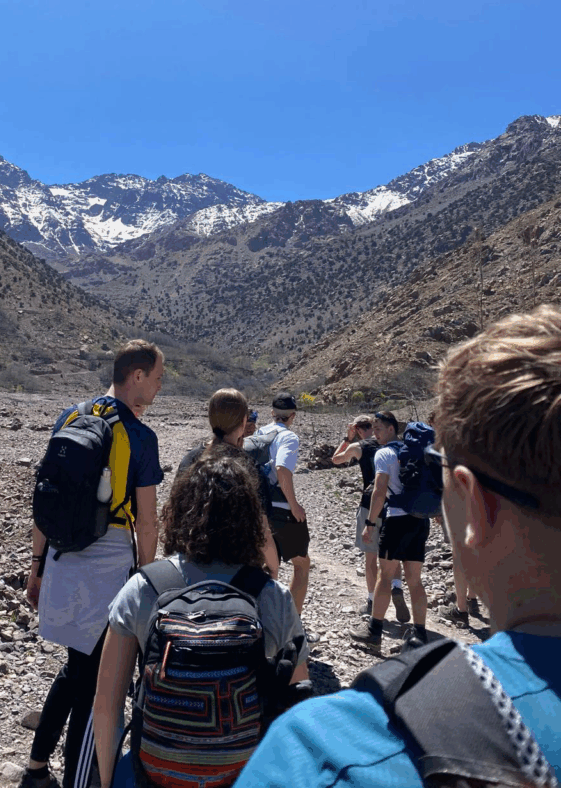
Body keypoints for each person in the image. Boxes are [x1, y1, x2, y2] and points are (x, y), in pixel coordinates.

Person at [235, 306, 561, 788]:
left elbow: (364, 482)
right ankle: (404, 623)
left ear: (476, 506)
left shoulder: (321, 750)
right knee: (408, 575)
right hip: (406, 528)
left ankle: (376, 623)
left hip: (385, 520)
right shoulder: (377, 447)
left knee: (384, 572)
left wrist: (368, 515)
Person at [93, 450, 310, 788]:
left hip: (153, 774)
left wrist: (107, 783)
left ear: (178, 513)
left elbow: (106, 708)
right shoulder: (272, 596)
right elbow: (297, 709)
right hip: (242, 775)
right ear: (252, 520)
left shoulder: (143, 588)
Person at [21, 340, 165, 788]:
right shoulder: (139, 436)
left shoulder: (69, 417)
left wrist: (37, 565)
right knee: (99, 686)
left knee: (75, 667)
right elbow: (147, 522)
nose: (160, 388)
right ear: (136, 376)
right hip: (108, 569)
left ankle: (37, 765)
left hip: (64, 561)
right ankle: (78, 781)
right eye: (157, 379)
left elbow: (46, 500)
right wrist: (148, 583)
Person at [177, 388, 279, 576]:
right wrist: (273, 569)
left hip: (190, 567)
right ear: (243, 421)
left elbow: (175, 516)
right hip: (238, 571)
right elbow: (263, 530)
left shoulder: (190, 460)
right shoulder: (249, 466)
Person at [349, 410, 429, 650]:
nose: (376, 433)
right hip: (419, 520)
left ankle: (374, 632)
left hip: (395, 521)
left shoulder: (384, 453)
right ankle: (420, 635)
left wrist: (370, 524)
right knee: (415, 580)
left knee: (385, 576)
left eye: (380, 429)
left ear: (392, 429)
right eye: (374, 429)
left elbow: (379, 489)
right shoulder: (415, 453)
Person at [332, 415, 410, 623]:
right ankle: (396, 587)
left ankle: (371, 600)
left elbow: (336, 459)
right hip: (394, 507)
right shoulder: (395, 445)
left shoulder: (359, 446)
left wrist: (347, 438)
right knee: (392, 555)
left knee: (370, 558)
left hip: (370, 505)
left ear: (357, 429)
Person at [258, 393, 310, 614]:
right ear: (293, 416)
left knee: (267, 566)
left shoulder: (260, 433)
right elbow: (282, 470)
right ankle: (292, 623)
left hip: (259, 509)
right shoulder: (288, 437)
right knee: (301, 565)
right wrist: (294, 504)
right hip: (281, 509)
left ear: (272, 413)